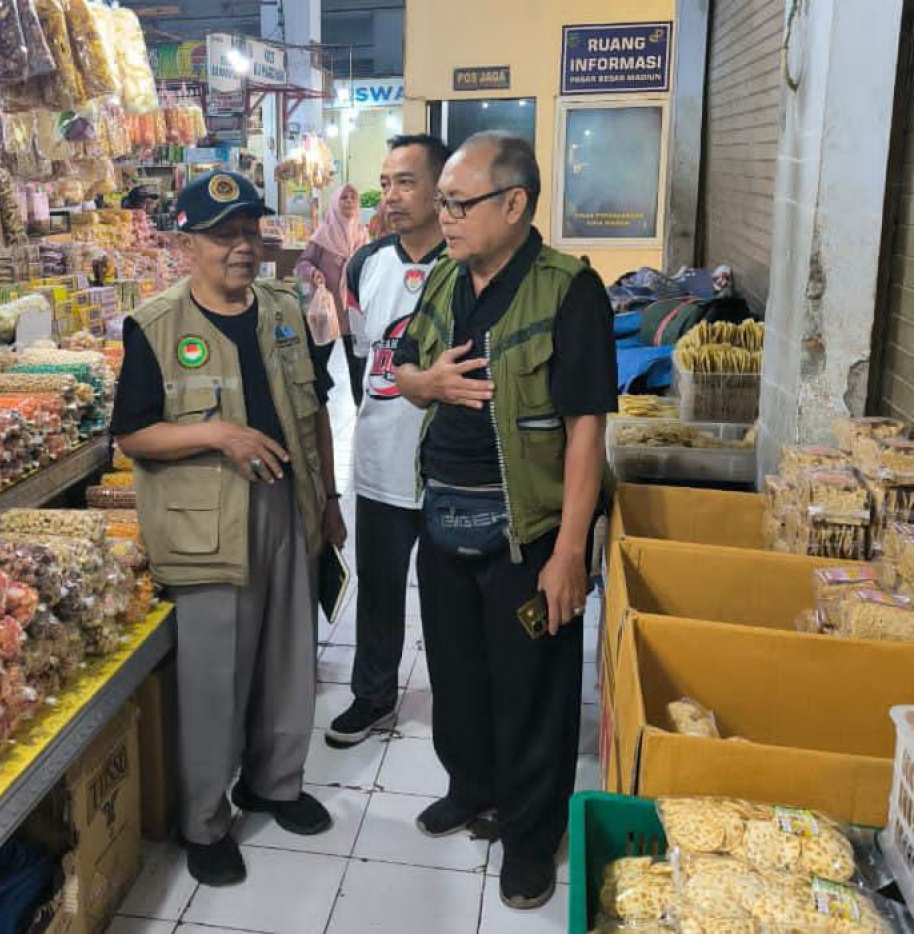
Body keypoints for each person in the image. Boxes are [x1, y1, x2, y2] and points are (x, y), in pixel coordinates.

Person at [392, 132, 616, 910]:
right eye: (442, 202)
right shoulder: (445, 281)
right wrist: (429, 383)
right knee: (456, 674)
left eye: (458, 203)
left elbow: (587, 426)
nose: (442, 216)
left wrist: (570, 551)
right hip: (443, 515)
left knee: (532, 690)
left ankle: (529, 835)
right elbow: (402, 371)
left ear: (514, 204)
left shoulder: (568, 290)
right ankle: (471, 787)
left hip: (527, 530)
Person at [111, 170, 348, 887]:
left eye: (249, 231)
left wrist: (330, 501)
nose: (241, 247)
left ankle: (274, 783)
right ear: (188, 244)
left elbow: (313, 414)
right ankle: (205, 820)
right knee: (215, 678)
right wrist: (219, 433)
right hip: (207, 520)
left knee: (287, 656)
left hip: (289, 505)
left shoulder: (282, 308)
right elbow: (133, 436)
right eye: (223, 235)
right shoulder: (156, 326)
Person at [326, 134, 449, 748]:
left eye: (407, 181)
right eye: (387, 182)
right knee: (377, 594)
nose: (392, 196)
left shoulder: (465, 266)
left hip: (449, 471)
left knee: (451, 602)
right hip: (378, 465)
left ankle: (457, 707)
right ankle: (372, 695)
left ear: (440, 187)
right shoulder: (364, 265)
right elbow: (356, 363)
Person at [295, 183, 370, 404]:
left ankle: (361, 413)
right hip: (327, 314)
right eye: (343, 198)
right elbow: (302, 263)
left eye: (352, 198)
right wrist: (314, 272)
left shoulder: (363, 235)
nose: (348, 202)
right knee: (316, 367)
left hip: (354, 314)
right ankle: (315, 409)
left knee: (360, 371)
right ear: (335, 203)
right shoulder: (323, 234)